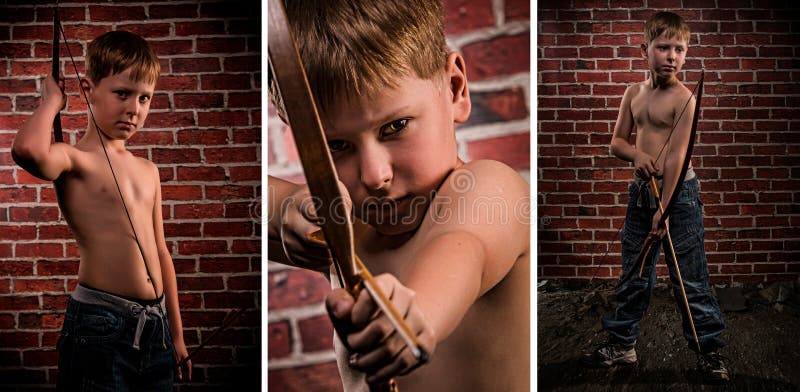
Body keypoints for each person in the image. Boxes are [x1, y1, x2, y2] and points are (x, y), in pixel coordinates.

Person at [267, 0, 530, 390]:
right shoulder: (344, 227)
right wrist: (285, 210)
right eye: (335, 145)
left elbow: (463, 246)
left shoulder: (489, 188)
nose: (375, 176)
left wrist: (410, 316)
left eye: (396, 126)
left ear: (455, 88)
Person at [12, 30, 191, 390]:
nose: (134, 108)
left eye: (144, 98)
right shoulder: (73, 158)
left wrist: (176, 335)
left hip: (155, 325)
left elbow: (160, 252)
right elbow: (29, 151)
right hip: (99, 324)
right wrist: (52, 101)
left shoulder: (148, 170)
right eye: (122, 93)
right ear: (88, 89)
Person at [580, 11, 728, 384]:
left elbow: (678, 155)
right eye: (663, 47)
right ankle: (622, 345)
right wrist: (637, 156)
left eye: (680, 49)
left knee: (689, 278)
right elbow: (617, 142)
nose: (672, 56)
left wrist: (665, 212)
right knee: (635, 271)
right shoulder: (634, 93)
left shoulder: (684, 99)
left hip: (679, 197)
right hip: (642, 194)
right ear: (645, 49)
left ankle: (709, 351)